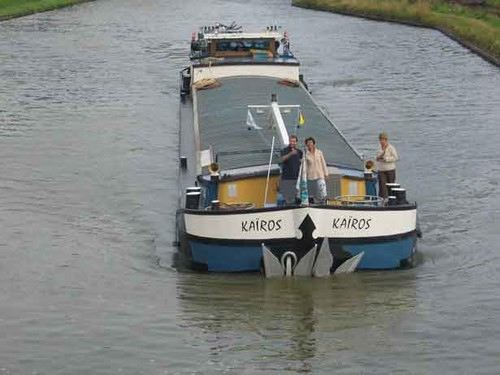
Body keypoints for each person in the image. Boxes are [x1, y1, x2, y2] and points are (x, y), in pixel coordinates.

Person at [279, 134, 303, 205]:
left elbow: (301, 161)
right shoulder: (284, 150)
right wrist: (290, 154)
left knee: (296, 197)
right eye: (291, 141)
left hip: (296, 178)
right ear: (289, 141)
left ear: (296, 142)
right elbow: (281, 159)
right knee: (288, 198)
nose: (292, 143)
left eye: (294, 141)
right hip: (287, 178)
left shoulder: (299, 152)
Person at [304, 137, 329, 204]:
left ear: (314, 144)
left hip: (320, 175)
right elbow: (304, 166)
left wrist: (326, 173)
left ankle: (323, 203)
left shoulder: (319, 152)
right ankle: (313, 204)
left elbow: (323, 163)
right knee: (312, 194)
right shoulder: (305, 154)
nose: (310, 144)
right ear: (306, 145)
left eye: (311, 143)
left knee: (322, 191)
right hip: (310, 177)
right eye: (308, 143)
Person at [376, 132, 399, 199]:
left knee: (391, 186)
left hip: (390, 170)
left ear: (386, 140)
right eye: (380, 140)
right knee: (382, 187)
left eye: (383, 140)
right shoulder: (379, 148)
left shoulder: (391, 148)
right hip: (381, 170)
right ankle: (383, 201)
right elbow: (377, 157)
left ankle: (392, 200)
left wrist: (386, 159)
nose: (381, 141)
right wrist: (379, 158)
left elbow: (396, 158)